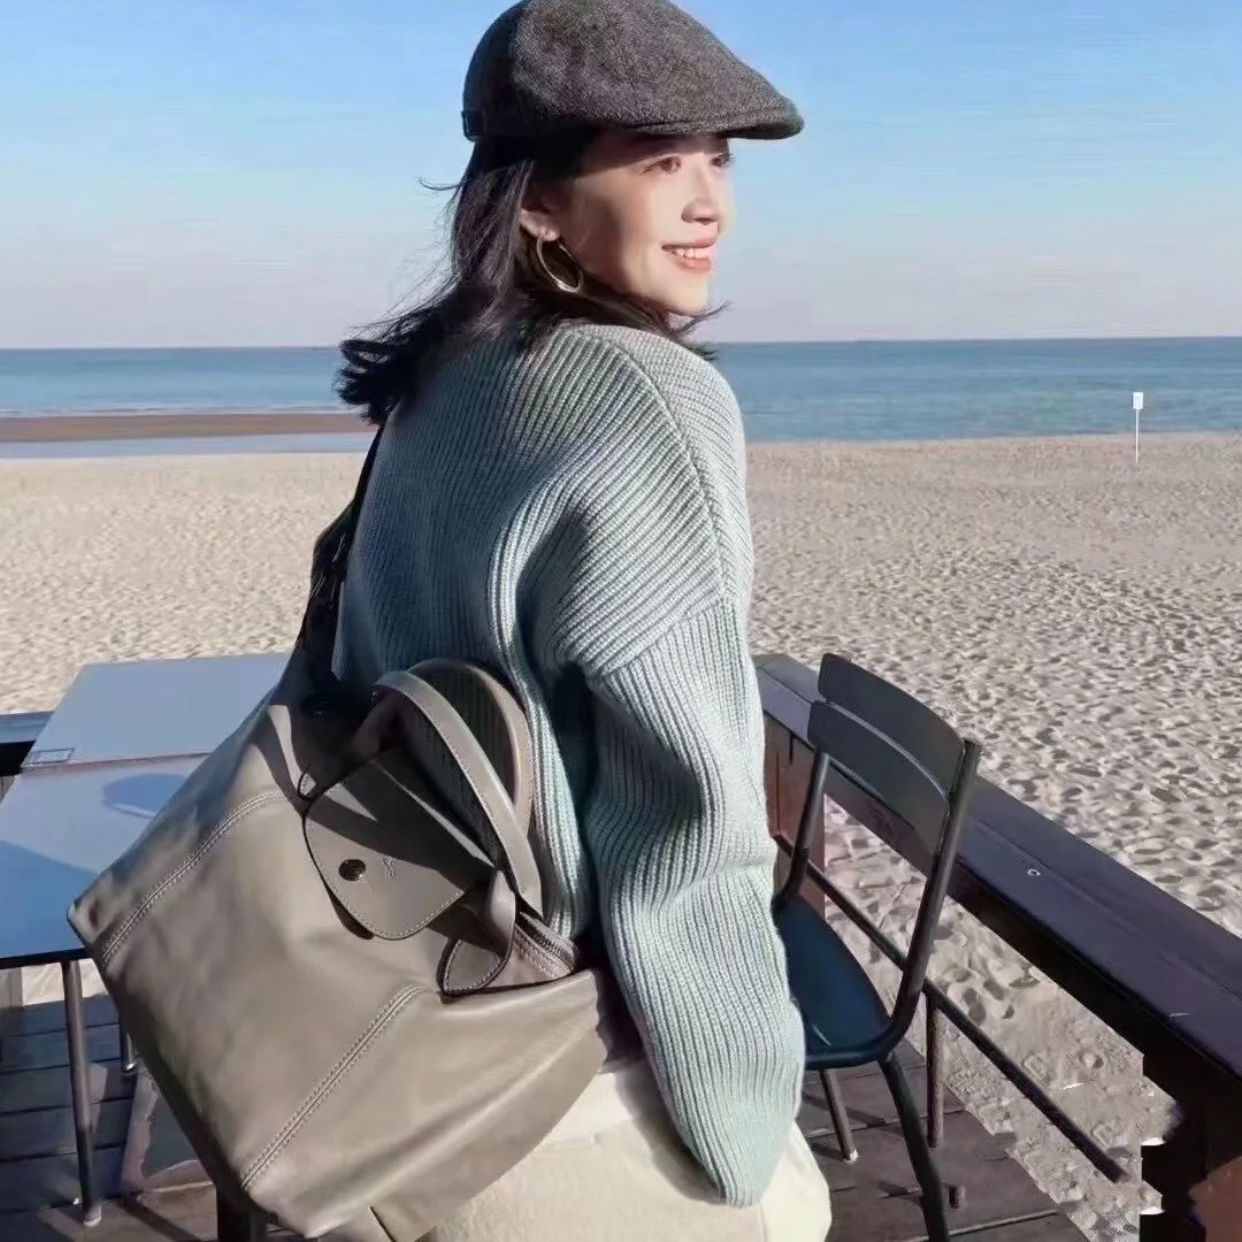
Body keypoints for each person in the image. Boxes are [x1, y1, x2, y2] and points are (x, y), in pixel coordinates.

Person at [332, 1, 832, 1238]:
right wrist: (739, 1118)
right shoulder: (646, 398)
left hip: (401, 1004)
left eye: (719, 160)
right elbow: (685, 806)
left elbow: (349, 657)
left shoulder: (443, 376)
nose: (709, 205)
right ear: (539, 204)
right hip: (562, 1043)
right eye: (661, 162)